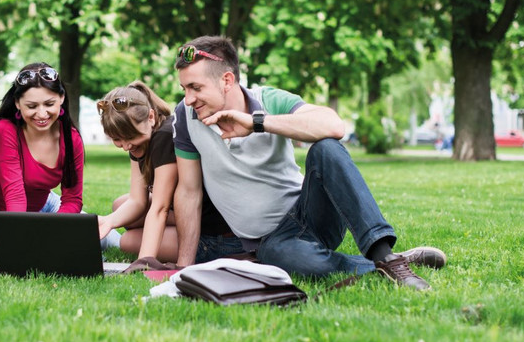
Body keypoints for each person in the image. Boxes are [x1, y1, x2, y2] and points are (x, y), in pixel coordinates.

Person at [171, 36, 446, 290]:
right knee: (293, 262)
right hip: (272, 242)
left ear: (227, 80)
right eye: (184, 88)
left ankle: (386, 257)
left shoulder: (269, 99)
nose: (188, 98)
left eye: (195, 87)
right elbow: (188, 191)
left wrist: (257, 123)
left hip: (311, 212)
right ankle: (388, 264)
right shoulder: (186, 116)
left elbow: (334, 125)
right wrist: (183, 268)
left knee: (326, 147)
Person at [0, 63, 121, 249]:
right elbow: (15, 196)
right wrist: (20, 241)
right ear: (18, 103)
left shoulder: (70, 137)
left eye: (49, 104)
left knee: (110, 238)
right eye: (32, 106)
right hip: (10, 218)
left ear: (61, 98)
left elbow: (72, 199)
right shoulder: (4, 131)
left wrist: (56, 230)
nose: (42, 114)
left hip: (47, 206)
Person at [96, 82, 179, 262]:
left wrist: (144, 261)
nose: (126, 146)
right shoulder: (141, 141)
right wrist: (108, 222)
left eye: (131, 138)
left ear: (150, 117)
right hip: (173, 208)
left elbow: (160, 208)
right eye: (117, 139)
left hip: (203, 226)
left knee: (128, 241)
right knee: (120, 206)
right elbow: (137, 200)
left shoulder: (164, 136)